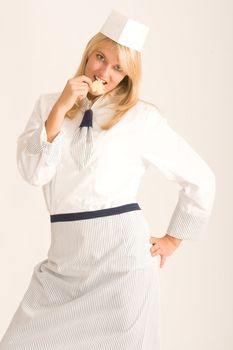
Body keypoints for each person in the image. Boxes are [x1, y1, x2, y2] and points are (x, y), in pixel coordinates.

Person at [0, 10, 216, 350]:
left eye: (118, 67)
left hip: (122, 266)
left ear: (129, 75)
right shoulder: (48, 106)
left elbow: (201, 177)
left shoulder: (141, 118)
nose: (104, 72)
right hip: (62, 265)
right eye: (100, 58)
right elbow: (33, 173)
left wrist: (174, 239)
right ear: (88, 53)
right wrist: (60, 107)